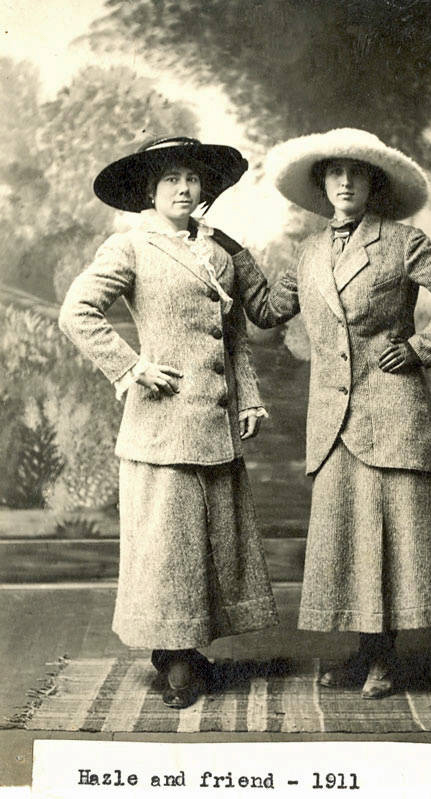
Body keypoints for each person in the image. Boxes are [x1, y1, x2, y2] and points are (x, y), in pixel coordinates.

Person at [213, 127, 431, 699]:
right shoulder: (308, 253)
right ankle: (364, 650)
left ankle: (385, 657)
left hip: (391, 413)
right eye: (334, 173)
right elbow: (267, 309)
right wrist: (235, 253)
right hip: (333, 423)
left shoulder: (402, 242)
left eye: (355, 173)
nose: (344, 182)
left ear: (372, 184)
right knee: (353, 542)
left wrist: (417, 348)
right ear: (321, 185)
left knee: (389, 539)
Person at [59, 136, 277, 709]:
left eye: (192, 179)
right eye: (171, 180)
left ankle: (186, 649)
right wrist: (132, 366)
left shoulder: (220, 253)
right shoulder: (131, 247)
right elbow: (76, 311)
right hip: (162, 428)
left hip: (217, 422)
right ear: (150, 192)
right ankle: (176, 660)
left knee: (208, 546)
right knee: (169, 549)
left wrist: (249, 398)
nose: (184, 189)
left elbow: (235, 339)